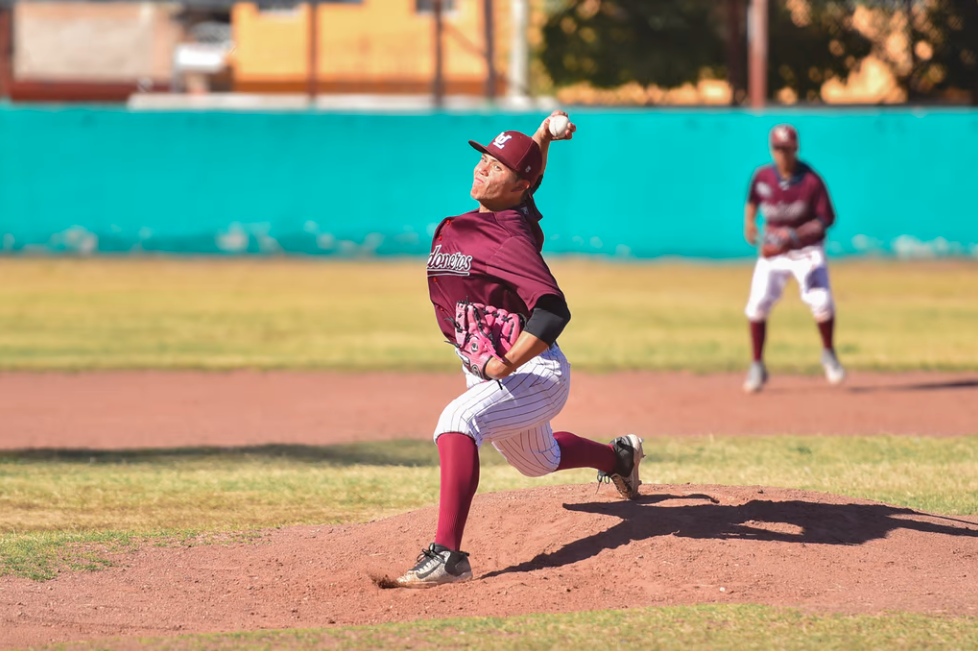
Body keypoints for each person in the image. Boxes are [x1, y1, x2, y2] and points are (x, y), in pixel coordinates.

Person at [396, 112, 645, 588]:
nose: (483, 167)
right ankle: (620, 458)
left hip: (532, 374)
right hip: (487, 371)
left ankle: (448, 555)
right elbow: (527, 171)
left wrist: (507, 362)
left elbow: (552, 311)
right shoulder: (497, 218)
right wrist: (543, 135)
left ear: (518, 187)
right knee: (539, 461)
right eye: (484, 157)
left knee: (457, 421)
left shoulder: (511, 237)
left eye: (495, 165)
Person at [742, 124, 846, 393]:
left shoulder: (811, 180)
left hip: (806, 252)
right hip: (774, 252)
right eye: (778, 149)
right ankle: (757, 365)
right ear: (771, 149)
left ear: (796, 149)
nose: (783, 155)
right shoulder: (763, 177)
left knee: (821, 302)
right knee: (756, 306)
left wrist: (793, 237)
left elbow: (826, 218)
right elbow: (753, 200)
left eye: (787, 149)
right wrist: (750, 223)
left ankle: (828, 353)